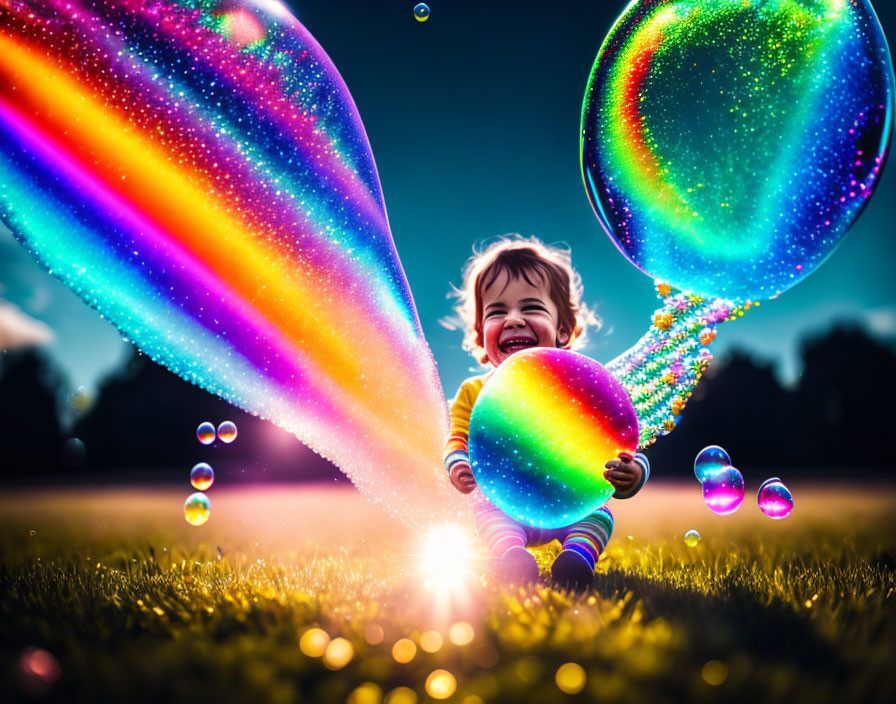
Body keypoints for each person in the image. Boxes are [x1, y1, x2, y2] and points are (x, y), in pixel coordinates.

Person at [442, 236, 650, 590]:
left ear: (563, 330)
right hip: (505, 504)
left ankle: (577, 558)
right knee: (485, 513)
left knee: (598, 515)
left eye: (531, 308)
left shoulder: (581, 391)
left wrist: (634, 473)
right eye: (496, 312)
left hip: (570, 504)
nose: (513, 320)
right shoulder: (474, 393)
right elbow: (456, 439)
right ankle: (512, 558)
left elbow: (624, 445)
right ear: (481, 335)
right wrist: (458, 464)